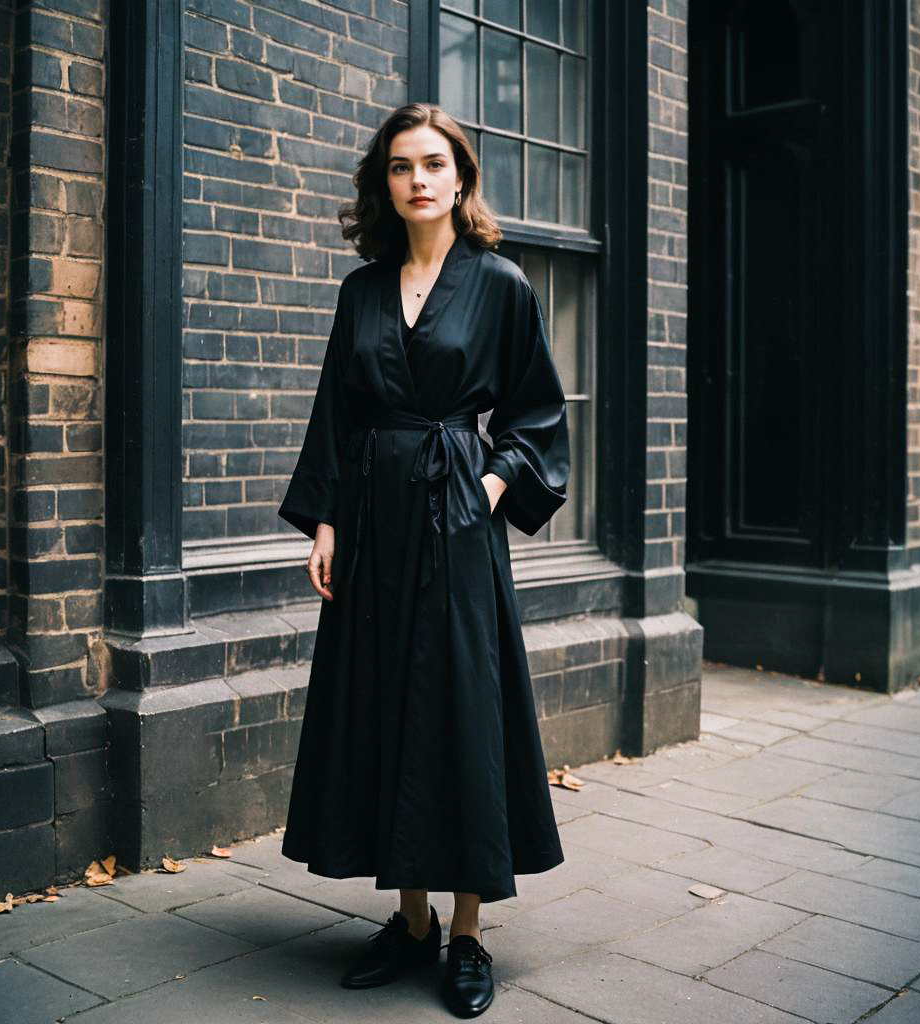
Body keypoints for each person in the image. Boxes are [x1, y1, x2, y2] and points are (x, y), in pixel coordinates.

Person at [276, 101, 571, 1018]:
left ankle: (470, 931)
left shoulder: (501, 285)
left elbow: (539, 416)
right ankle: (410, 922)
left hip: (455, 519)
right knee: (382, 705)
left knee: (458, 710)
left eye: (434, 163)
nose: (418, 180)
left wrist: (487, 489)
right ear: (385, 183)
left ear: (461, 177)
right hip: (372, 523)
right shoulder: (361, 291)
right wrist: (324, 521)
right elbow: (337, 410)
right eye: (401, 166)